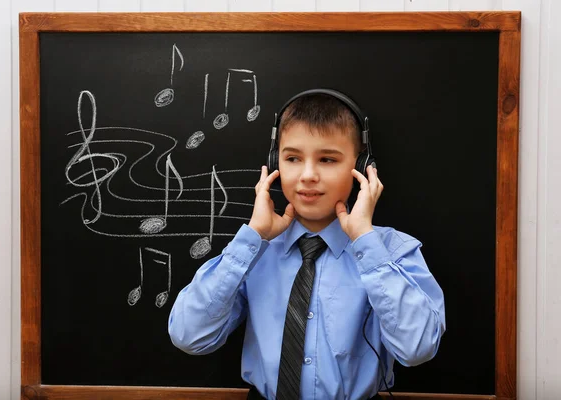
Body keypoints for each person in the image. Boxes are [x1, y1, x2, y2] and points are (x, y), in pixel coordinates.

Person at [168, 90, 446, 400]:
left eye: (327, 159)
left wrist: (367, 244)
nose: (308, 175)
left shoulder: (393, 251)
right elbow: (189, 336)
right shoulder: (253, 251)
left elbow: (418, 349)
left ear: (363, 167)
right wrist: (251, 238)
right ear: (275, 163)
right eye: (292, 158)